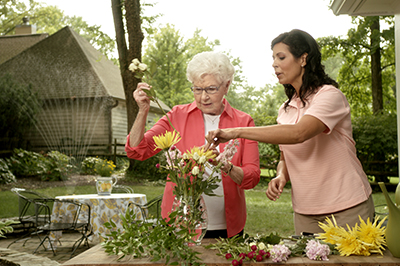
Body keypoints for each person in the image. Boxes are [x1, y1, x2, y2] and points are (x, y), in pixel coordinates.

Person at [205, 29, 374, 235]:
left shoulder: (329, 96)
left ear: (303, 58)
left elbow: (299, 134)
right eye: (273, 58)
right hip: (305, 210)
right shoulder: (285, 109)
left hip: (347, 205)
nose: (274, 63)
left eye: (281, 57)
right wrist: (281, 175)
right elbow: (285, 155)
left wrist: (236, 131)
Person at [125, 51, 260, 238]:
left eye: (211, 89)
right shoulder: (177, 116)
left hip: (227, 227)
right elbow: (137, 151)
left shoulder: (243, 122)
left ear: (226, 86)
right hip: (181, 224)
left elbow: (252, 178)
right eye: (197, 89)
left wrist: (225, 165)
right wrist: (143, 111)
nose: (203, 97)